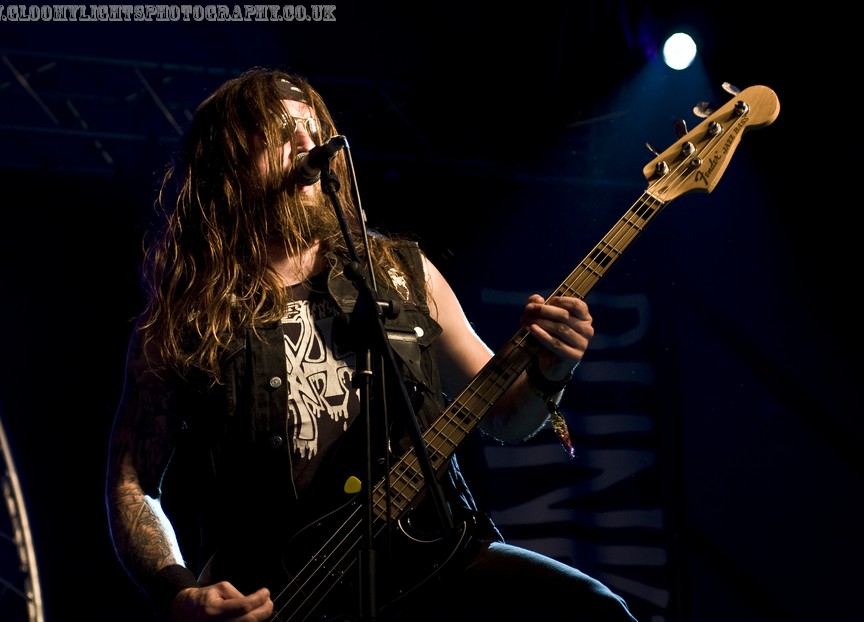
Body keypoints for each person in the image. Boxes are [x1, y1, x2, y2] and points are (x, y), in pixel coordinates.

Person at [105, 66, 639, 622]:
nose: (306, 142)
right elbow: (131, 481)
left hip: (435, 560)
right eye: (280, 132)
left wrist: (552, 370)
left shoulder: (401, 274)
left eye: (313, 129)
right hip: (284, 595)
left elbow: (505, 415)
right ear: (228, 163)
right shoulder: (187, 317)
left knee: (595, 612)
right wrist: (178, 592)